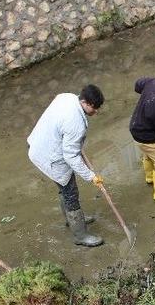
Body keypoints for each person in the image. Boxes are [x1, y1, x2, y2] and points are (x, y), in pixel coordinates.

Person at [27, 85, 105, 247]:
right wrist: (91, 176)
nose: (96, 111)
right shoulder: (76, 123)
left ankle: (71, 220)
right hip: (51, 157)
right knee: (70, 193)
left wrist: (72, 141)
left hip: (41, 144)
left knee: (64, 189)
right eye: (94, 107)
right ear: (84, 102)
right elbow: (71, 157)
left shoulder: (67, 97)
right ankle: (80, 235)